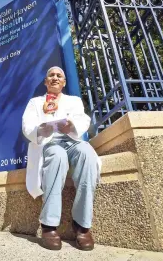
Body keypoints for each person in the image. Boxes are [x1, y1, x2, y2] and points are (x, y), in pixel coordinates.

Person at [22, 66, 102, 251]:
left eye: (59, 76)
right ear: (45, 82)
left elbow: (82, 120)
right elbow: (27, 126)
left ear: (64, 82)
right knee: (57, 156)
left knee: (88, 154)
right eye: (51, 75)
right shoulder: (35, 102)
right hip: (49, 142)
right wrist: (41, 129)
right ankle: (49, 226)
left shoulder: (73, 101)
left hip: (71, 140)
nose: (55, 78)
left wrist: (72, 125)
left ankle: (82, 226)